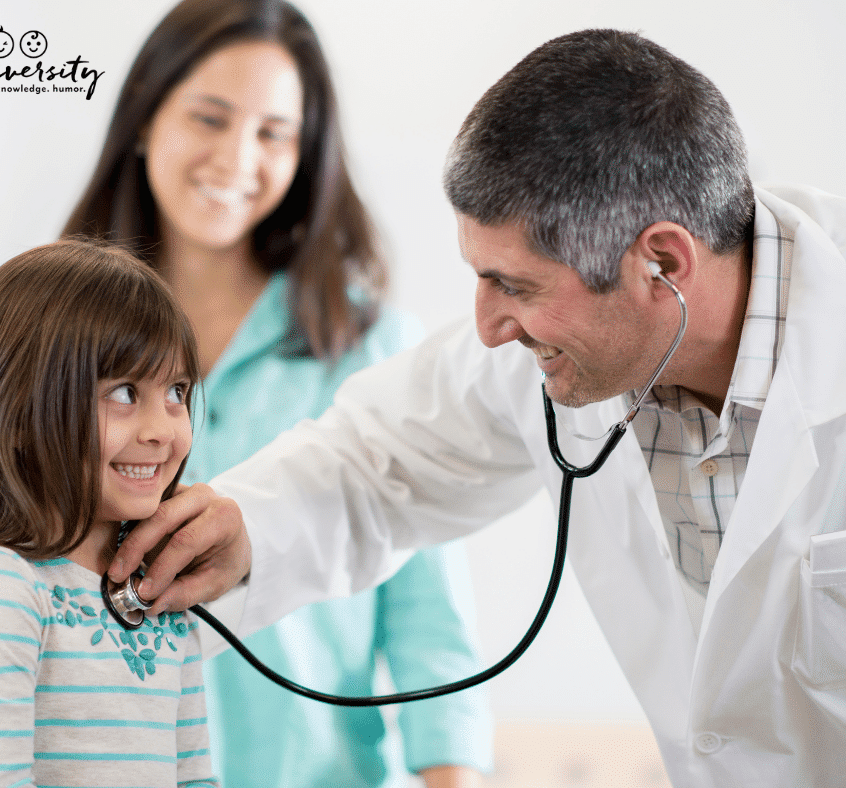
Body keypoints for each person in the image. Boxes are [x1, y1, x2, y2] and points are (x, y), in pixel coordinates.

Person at [107, 27, 846, 787]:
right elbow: (374, 463)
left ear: (661, 264)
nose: (490, 329)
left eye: (515, 286)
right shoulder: (561, 358)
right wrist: (244, 528)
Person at [63, 1, 492, 786]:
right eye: (211, 117)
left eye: (273, 133)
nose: (237, 157)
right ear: (144, 119)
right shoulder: (55, 336)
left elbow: (430, 611)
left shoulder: (367, 342)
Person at [0, 240, 217, 786]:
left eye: (176, 391)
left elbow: (194, 777)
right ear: (21, 413)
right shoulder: (1, 590)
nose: (162, 429)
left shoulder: (161, 598)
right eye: (123, 392)